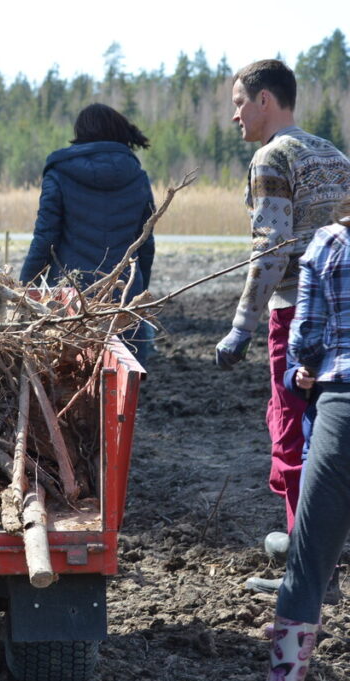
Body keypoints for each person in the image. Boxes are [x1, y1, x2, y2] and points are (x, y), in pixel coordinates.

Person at [212, 59, 350, 597]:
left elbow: (270, 249)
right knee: (330, 438)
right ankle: (314, 556)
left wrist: (242, 325)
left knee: (291, 433)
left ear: (266, 100)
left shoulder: (272, 157)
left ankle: (305, 572)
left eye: (239, 102)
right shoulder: (334, 155)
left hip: (297, 313)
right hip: (342, 309)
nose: (235, 116)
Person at [268, 195, 350, 679]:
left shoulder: (331, 242)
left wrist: (304, 370)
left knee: (309, 562)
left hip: (342, 405)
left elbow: (305, 340)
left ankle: (286, 675)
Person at [19, 103, 156, 364]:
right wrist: (139, 294)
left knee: (68, 381)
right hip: (122, 299)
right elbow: (146, 244)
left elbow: (45, 238)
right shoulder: (138, 176)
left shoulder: (59, 173)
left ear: (80, 132)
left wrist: (25, 289)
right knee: (122, 388)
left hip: (70, 299)